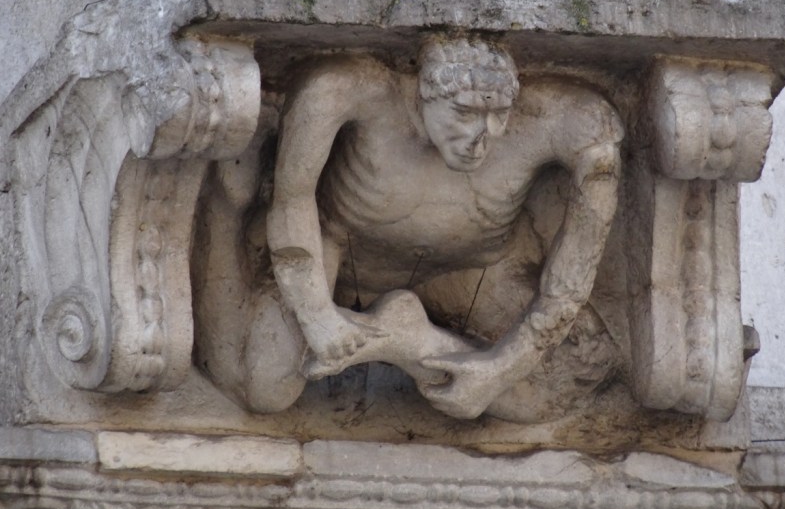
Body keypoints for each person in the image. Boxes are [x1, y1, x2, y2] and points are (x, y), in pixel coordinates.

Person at [195, 37, 623, 420]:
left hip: (473, 266)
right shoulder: (351, 91)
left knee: (566, 380)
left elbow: (570, 279)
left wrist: (501, 368)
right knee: (265, 388)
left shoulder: (560, 119)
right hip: (337, 249)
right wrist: (317, 316)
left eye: (497, 117)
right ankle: (223, 211)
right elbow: (293, 201)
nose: (482, 137)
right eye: (465, 112)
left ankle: (405, 340)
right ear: (423, 93)